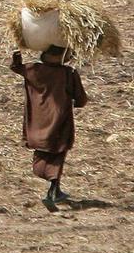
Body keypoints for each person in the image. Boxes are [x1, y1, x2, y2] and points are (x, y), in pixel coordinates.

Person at [10, 45, 88, 211]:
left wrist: (17, 53)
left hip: (37, 124)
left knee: (43, 152)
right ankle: (51, 193)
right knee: (57, 154)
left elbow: (16, 67)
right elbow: (81, 99)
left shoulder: (34, 70)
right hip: (59, 122)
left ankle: (56, 191)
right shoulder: (68, 74)